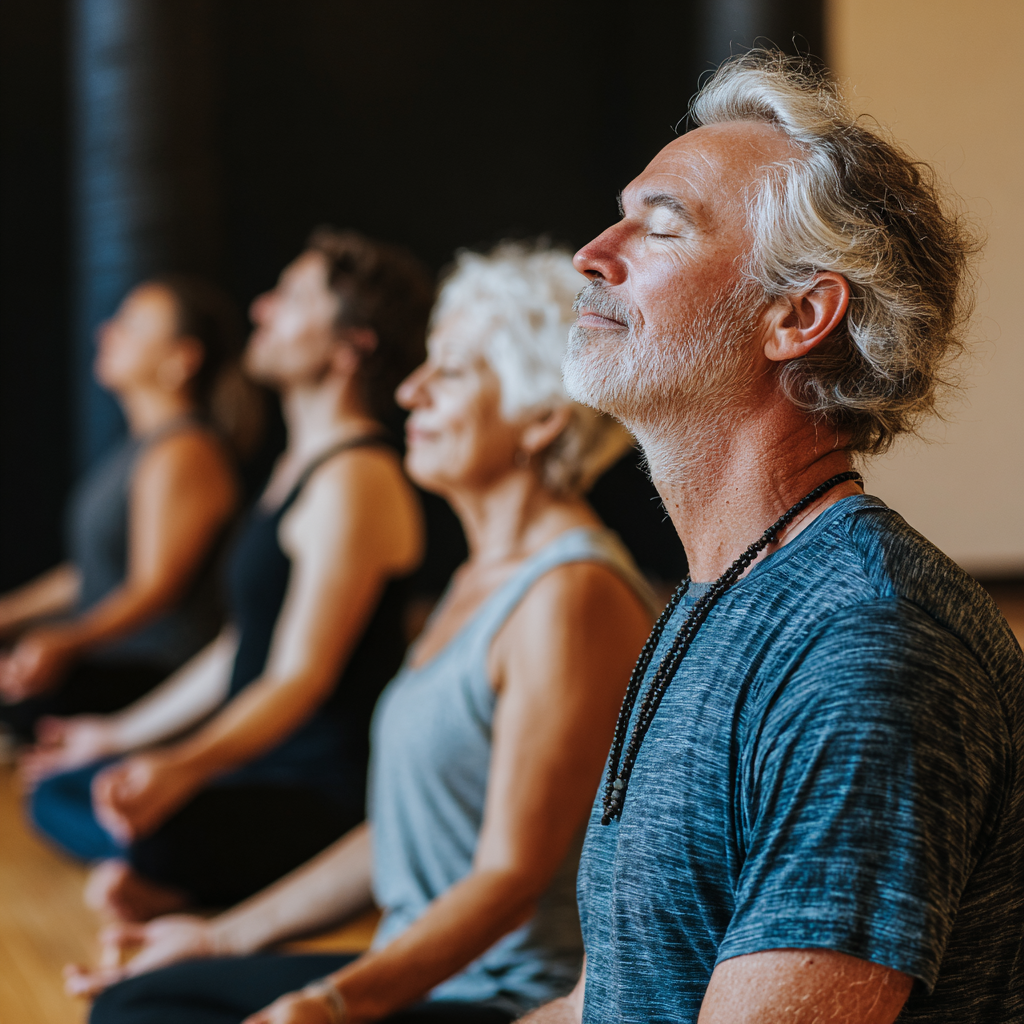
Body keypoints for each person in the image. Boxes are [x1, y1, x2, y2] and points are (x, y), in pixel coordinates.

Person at [515, 51, 1023, 1024]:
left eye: (660, 226)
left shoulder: (864, 642)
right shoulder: (718, 596)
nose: (592, 253)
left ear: (797, 315)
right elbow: (608, 999)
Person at [68, 242, 658, 1024]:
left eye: (450, 373)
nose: (411, 390)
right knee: (146, 996)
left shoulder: (571, 595)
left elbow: (508, 881)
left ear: (542, 419)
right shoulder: (479, 579)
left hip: (503, 1001)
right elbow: (400, 834)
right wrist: (216, 938)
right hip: (421, 969)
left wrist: (334, 1003)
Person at [27, 228, 432, 923]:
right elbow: (240, 647)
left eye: (292, 298)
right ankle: (165, 872)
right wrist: (118, 735)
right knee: (62, 788)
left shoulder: (356, 479)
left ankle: (176, 877)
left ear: (350, 347)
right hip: (253, 765)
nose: (261, 308)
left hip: (315, 792)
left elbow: (299, 679)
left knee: (144, 829)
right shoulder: (296, 469)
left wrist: (183, 765)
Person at [0, 276, 244, 740]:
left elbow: (155, 587)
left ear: (181, 359)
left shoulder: (185, 450)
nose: (106, 332)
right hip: (117, 665)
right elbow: (93, 573)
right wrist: (8, 614)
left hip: (154, 678)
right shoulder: (142, 447)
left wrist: (69, 641)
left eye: (130, 325)